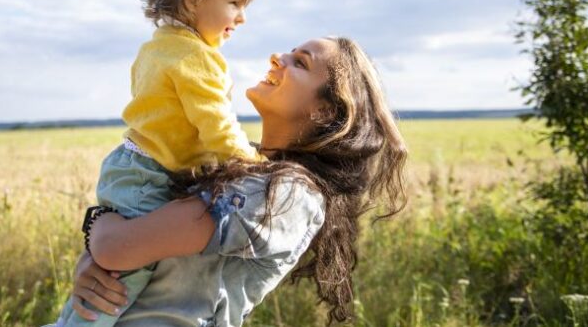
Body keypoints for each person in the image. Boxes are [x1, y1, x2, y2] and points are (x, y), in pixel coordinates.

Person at [60, 36, 408, 326]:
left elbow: (117, 246)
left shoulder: (288, 193)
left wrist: (99, 229)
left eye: (300, 62)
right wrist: (94, 263)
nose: (278, 58)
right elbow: (125, 243)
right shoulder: (235, 163)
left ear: (326, 111)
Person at [55, 0, 265, 327]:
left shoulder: (157, 47)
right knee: (121, 275)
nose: (242, 16)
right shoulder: (197, 58)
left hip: (131, 168)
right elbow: (218, 128)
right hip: (149, 176)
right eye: (234, 2)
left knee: (117, 265)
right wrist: (256, 166)